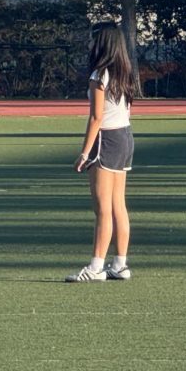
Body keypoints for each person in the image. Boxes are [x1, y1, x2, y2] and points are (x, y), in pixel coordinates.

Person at [67, 22, 134, 283]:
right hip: (125, 136)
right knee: (118, 204)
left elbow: (96, 118)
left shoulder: (99, 74)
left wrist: (84, 154)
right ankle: (119, 264)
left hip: (106, 138)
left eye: (93, 39)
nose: (90, 44)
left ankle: (95, 267)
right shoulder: (124, 71)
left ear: (102, 43)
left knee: (103, 208)